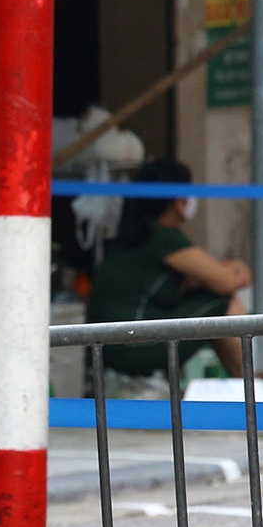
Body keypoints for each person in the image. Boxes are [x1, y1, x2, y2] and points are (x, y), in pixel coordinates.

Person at [86, 158, 250, 378]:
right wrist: (237, 266)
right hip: (131, 346)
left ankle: (241, 377)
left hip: (113, 346)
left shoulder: (137, 237)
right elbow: (226, 282)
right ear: (180, 202)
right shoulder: (163, 238)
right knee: (220, 302)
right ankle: (245, 379)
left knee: (206, 297)